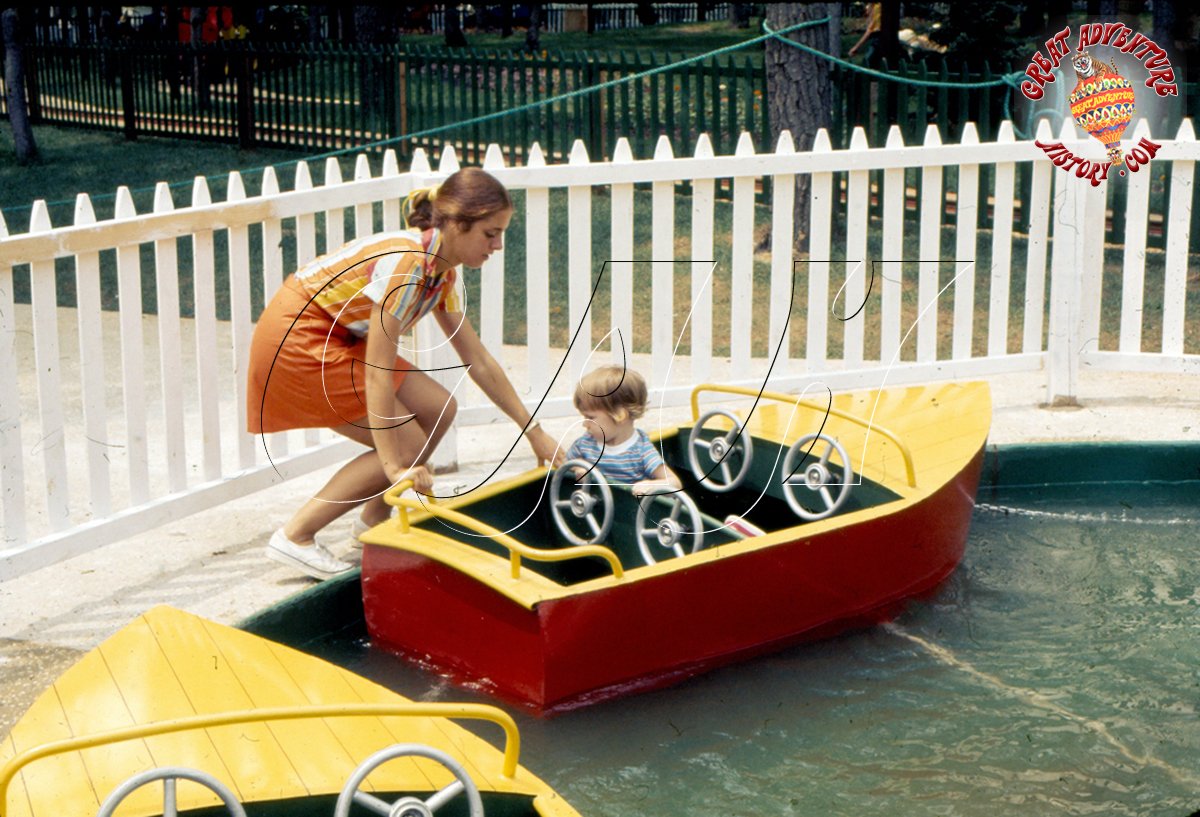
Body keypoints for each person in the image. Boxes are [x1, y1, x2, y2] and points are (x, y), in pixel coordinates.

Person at [248, 167, 563, 579]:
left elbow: (478, 360)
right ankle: (296, 536)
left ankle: (372, 521)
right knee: (406, 444)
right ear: (455, 224)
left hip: (336, 333)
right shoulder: (410, 265)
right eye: (490, 233)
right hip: (298, 338)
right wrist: (395, 466)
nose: (498, 245)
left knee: (439, 408)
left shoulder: (441, 271)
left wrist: (534, 433)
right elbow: (378, 372)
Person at [566, 365, 682, 497]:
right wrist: (578, 469)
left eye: (590, 418)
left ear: (619, 415)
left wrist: (651, 485)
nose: (585, 424)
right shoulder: (586, 443)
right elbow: (565, 464)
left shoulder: (641, 451)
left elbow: (675, 483)